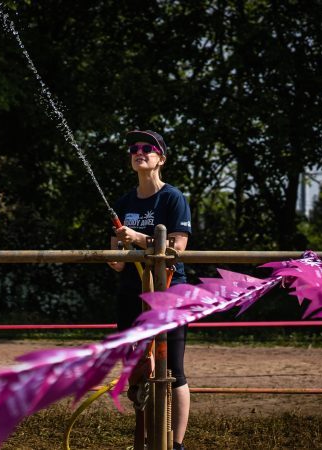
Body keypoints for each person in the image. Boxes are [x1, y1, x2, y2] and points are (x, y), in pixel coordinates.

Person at [107, 129, 191, 450]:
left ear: (161, 159)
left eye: (148, 148)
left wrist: (139, 239)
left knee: (174, 371)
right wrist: (119, 248)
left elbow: (178, 247)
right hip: (131, 295)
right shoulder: (123, 202)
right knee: (138, 371)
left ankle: (176, 445)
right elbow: (116, 263)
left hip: (168, 294)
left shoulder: (172, 198)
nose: (139, 151)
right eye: (134, 148)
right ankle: (143, 441)